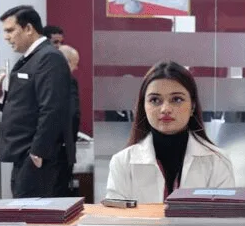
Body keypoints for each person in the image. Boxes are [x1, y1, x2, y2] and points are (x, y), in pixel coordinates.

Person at [106, 61, 234, 203]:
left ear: (192, 106)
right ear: (143, 106)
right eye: (155, 100)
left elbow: (225, 216)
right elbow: (114, 216)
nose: (165, 109)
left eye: (176, 99)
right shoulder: (122, 162)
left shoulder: (218, 161)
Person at [0, 5, 72, 198]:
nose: (6, 37)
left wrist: (37, 153)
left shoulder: (49, 57)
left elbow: (52, 109)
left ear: (28, 28)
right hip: (25, 156)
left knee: (31, 213)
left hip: (37, 159)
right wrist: (1, 95)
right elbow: (27, 105)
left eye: (10, 30)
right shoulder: (31, 58)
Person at [58, 44, 81, 196]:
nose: (76, 68)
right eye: (74, 63)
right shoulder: (68, 81)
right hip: (62, 148)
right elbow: (73, 114)